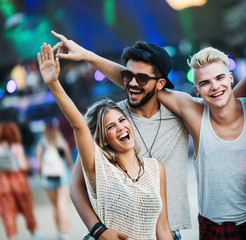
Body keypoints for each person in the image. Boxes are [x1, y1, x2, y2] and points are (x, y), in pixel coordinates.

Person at [51, 31, 246, 239]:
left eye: (220, 79)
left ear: (231, 78)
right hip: (208, 227)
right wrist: (86, 55)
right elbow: (137, 81)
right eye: (205, 83)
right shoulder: (189, 111)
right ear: (196, 90)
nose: (215, 87)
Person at [51, 31, 191, 240]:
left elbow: (224, 103)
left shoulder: (179, 111)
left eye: (142, 78)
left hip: (168, 231)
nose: (132, 83)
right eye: (127, 76)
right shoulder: (108, 118)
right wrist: (98, 231)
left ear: (160, 84)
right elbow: (76, 187)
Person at [0, 122, 43, 240]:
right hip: (18, 180)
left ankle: (12, 237)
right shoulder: (16, 146)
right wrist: (30, 164)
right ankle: (34, 233)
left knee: (7, 212)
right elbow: (22, 165)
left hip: (3, 182)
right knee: (27, 208)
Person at [36, 120, 73, 240]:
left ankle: (58, 230)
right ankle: (65, 233)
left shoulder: (41, 144)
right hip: (62, 176)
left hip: (48, 178)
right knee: (63, 204)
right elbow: (68, 161)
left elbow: (39, 165)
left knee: (55, 206)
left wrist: (41, 176)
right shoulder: (61, 142)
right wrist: (70, 171)